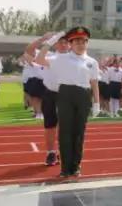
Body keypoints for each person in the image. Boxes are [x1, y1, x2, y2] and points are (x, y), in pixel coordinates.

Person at [35, 26, 100, 178]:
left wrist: (97, 102)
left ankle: (76, 166)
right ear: (71, 44)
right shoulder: (61, 58)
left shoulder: (92, 62)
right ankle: (65, 168)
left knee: (79, 132)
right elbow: (39, 60)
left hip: (83, 95)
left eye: (83, 41)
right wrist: (50, 42)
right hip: (65, 94)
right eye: (77, 42)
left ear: (87, 43)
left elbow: (94, 82)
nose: (81, 45)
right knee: (65, 132)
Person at [33, 31, 72, 167]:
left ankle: (63, 151)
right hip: (50, 94)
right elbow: (38, 60)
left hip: (66, 94)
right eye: (60, 42)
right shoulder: (50, 57)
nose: (63, 44)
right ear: (55, 44)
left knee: (65, 126)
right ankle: (50, 152)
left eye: (66, 42)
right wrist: (49, 41)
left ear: (69, 45)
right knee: (50, 126)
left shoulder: (74, 59)